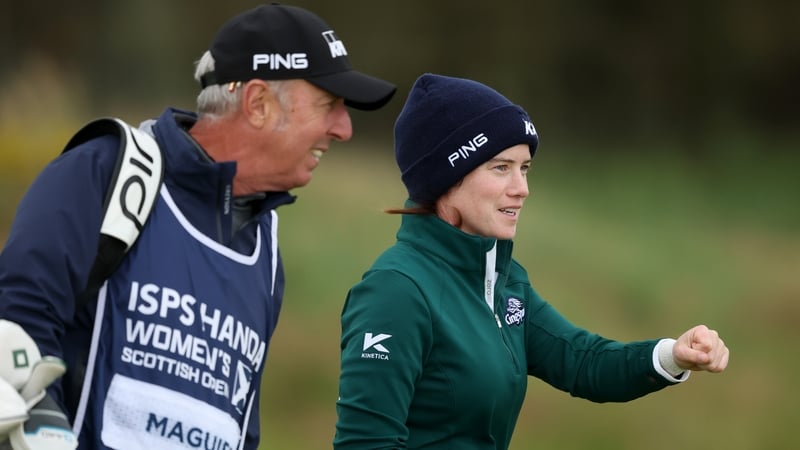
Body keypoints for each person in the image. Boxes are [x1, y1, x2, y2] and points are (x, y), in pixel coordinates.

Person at [0, 3, 395, 450]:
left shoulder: (264, 250)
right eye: (328, 104)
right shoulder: (106, 171)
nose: (343, 128)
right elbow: (17, 323)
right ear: (259, 103)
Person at [333, 73, 729, 449]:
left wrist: (673, 355)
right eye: (501, 168)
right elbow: (366, 443)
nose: (521, 189)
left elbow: (581, 361)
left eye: (524, 168)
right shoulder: (396, 291)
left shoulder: (501, 281)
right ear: (445, 180)